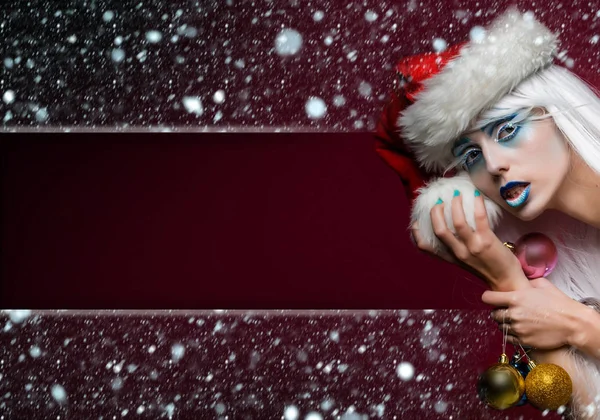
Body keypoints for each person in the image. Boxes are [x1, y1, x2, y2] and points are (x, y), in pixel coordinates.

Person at [375, 8, 600, 419]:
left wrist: (581, 327)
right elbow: (589, 408)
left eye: (508, 131)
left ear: (558, 112)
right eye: (471, 154)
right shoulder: (559, 258)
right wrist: (505, 276)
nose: (493, 165)